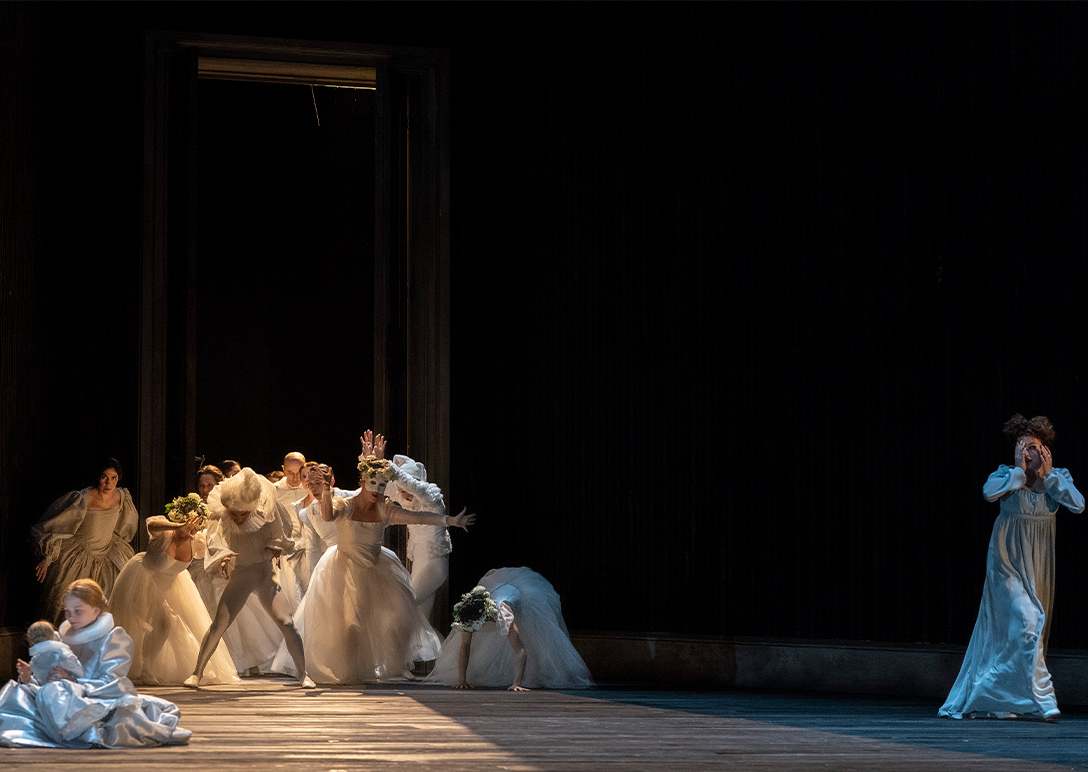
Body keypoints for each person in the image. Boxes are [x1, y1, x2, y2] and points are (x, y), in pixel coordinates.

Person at [269, 447, 474, 684]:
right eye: (373, 484)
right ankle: (350, 673)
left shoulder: (384, 508)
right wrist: (325, 491)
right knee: (351, 625)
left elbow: (417, 517)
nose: (377, 490)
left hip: (377, 567)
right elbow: (328, 515)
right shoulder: (347, 504)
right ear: (362, 483)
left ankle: (395, 664)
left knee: (403, 612)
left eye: (381, 486)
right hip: (345, 569)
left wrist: (450, 521)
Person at [940, 414, 1085, 720]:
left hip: (1038, 562)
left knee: (1019, 633)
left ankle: (1000, 697)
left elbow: (1078, 504)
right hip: (1006, 561)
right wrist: (1017, 473)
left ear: (1045, 450)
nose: (1027, 454)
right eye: (1022, 448)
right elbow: (988, 493)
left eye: (1033, 447)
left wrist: (1049, 476)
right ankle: (1044, 700)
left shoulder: (1056, 479)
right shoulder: (1005, 475)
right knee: (1027, 619)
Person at [0, 579, 192, 748]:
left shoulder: (113, 640)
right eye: (67, 612)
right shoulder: (61, 639)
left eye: (78, 611)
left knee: (57, 695)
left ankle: (69, 728)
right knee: (19, 691)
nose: (71, 617)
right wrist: (29, 678)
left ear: (96, 611)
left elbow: (110, 682)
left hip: (96, 695)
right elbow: (48, 677)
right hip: (61, 694)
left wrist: (71, 680)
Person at [185, 468, 313, 688]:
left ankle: (303, 674)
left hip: (264, 575)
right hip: (241, 575)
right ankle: (196, 673)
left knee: (286, 622)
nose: (238, 518)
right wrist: (224, 556)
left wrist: (275, 548)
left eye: (242, 514)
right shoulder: (225, 518)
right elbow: (214, 542)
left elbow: (284, 537)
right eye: (234, 513)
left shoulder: (267, 515)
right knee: (219, 623)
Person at [109, 508, 238, 685]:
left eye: (195, 526)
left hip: (168, 586)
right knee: (142, 624)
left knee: (165, 624)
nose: (193, 530)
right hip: (142, 581)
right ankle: (124, 665)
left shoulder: (197, 540)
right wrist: (178, 527)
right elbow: (151, 524)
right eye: (189, 525)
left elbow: (215, 549)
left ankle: (147, 667)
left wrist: (224, 558)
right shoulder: (164, 535)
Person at [425, 567, 593, 691]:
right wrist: (462, 679)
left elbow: (520, 650)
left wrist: (516, 683)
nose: (475, 630)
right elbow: (465, 646)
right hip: (497, 594)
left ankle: (520, 676)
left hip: (519, 601)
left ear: (484, 618)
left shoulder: (502, 612)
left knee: (523, 641)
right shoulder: (469, 611)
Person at [32, 458, 139, 624]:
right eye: (104, 477)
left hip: (108, 556)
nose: (108, 483)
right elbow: (60, 525)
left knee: (108, 604)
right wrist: (48, 557)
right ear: (98, 477)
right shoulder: (83, 498)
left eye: (113, 478)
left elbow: (126, 526)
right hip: (79, 558)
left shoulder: (121, 497)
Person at [385, 454, 453, 625]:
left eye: (403, 485)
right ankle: (436, 652)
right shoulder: (404, 497)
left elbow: (414, 487)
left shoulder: (431, 498)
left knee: (404, 607)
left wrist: (388, 466)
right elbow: (382, 487)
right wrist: (370, 460)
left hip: (434, 566)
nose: (400, 489)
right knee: (422, 621)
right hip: (419, 564)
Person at [24, 620, 83, 686]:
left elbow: (82, 680)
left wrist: (66, 678)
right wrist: (27, 678)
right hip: (45, 693)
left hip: (65, 691)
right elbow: (38, 685)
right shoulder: (35, 661)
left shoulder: (64, 656)